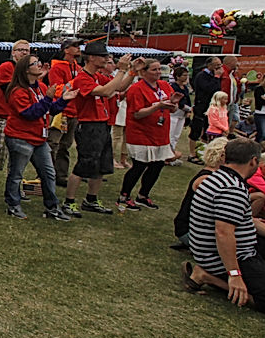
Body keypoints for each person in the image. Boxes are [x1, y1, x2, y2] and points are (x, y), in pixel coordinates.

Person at [182, 139, 265, 318]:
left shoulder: (216, 177)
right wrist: (234, 274)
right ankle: (208, 276)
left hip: (210, 249)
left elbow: (245, 220)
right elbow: (223, 233)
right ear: (253, 161)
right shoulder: (232, 189)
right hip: (223, 255)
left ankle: (234, 275)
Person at [62, 41, 141, 217]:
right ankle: (69, 201)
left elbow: (119, 87)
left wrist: (132, 71)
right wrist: (121, 70)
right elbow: (105, 92)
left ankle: (91, 199)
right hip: (89, 125)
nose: (107, 59)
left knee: (100, 166)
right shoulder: (83, 78)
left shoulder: (97, 76)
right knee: (84, 164)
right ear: (91, 58)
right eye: (103, 56)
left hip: (102, 124)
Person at [3, 54, 76, 220]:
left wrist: (63, 100)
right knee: (16, 174)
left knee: (49, 173)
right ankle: (13, 205)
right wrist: (49, 98)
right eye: (35, 63)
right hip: (20, 138)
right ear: (26, 69)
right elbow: (30, 113)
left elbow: (49, 109)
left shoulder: (41, 87)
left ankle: (52, 207)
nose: (40, 65)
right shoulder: (17, 91)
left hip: (38, 139)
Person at [118, 58, 179, 210]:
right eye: (154, 69)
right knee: (139, 165)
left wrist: (173, 105)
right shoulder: (136, 89)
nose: (158, 72)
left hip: (159, 132)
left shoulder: (164, 86)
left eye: (160, 69)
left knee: (157, 165)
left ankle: (143, 195)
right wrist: (158, 106)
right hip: (140, 133)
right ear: (143, 72)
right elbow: (137, 114)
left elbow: (173, 109)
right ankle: (124, 196)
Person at [0, 40, 32, 202]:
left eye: (27, 51)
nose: (24, 53)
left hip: (21, 118)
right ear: (13, 52)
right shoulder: (7, 67)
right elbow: (10, 90)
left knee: (17, 157)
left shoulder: (28, 70)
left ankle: (13, 189)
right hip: (4, 116)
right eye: (21, 50)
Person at [46, 38, 83, 187]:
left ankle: (61, 174)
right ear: (66, 50)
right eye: (75, 46)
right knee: (53, 144)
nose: (78, 49)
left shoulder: (78, 68)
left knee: (65, 145)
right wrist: (77, 82)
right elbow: (58, 89)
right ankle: (47, 173)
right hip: (61, 111)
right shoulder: (57, 68)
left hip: (74, 111)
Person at [189, 57, 223, 155]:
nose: (219, 67)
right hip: (201, 106)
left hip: (211, 107)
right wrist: (216, 77)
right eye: (217, 65)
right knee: (196, 130)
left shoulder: (215, 77)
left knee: (208, 130)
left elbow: (217, 90)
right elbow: (208, 89)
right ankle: (192, 154)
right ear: (209, 65)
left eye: (220, 65)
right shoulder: (201, 76)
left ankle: (203, 152)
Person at [168, 66, 192, 163]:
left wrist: (189, 110)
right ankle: (168, 155)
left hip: (182, 114)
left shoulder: (185, 87)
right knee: (170, 134)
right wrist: (186, 108)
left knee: (176, 135)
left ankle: (172, 154)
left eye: (187, 75)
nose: (186, 77)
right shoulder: (173, 87)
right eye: (184, 75)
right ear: (177, 76)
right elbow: (178, 101)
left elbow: (188, 99)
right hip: (174, 113)